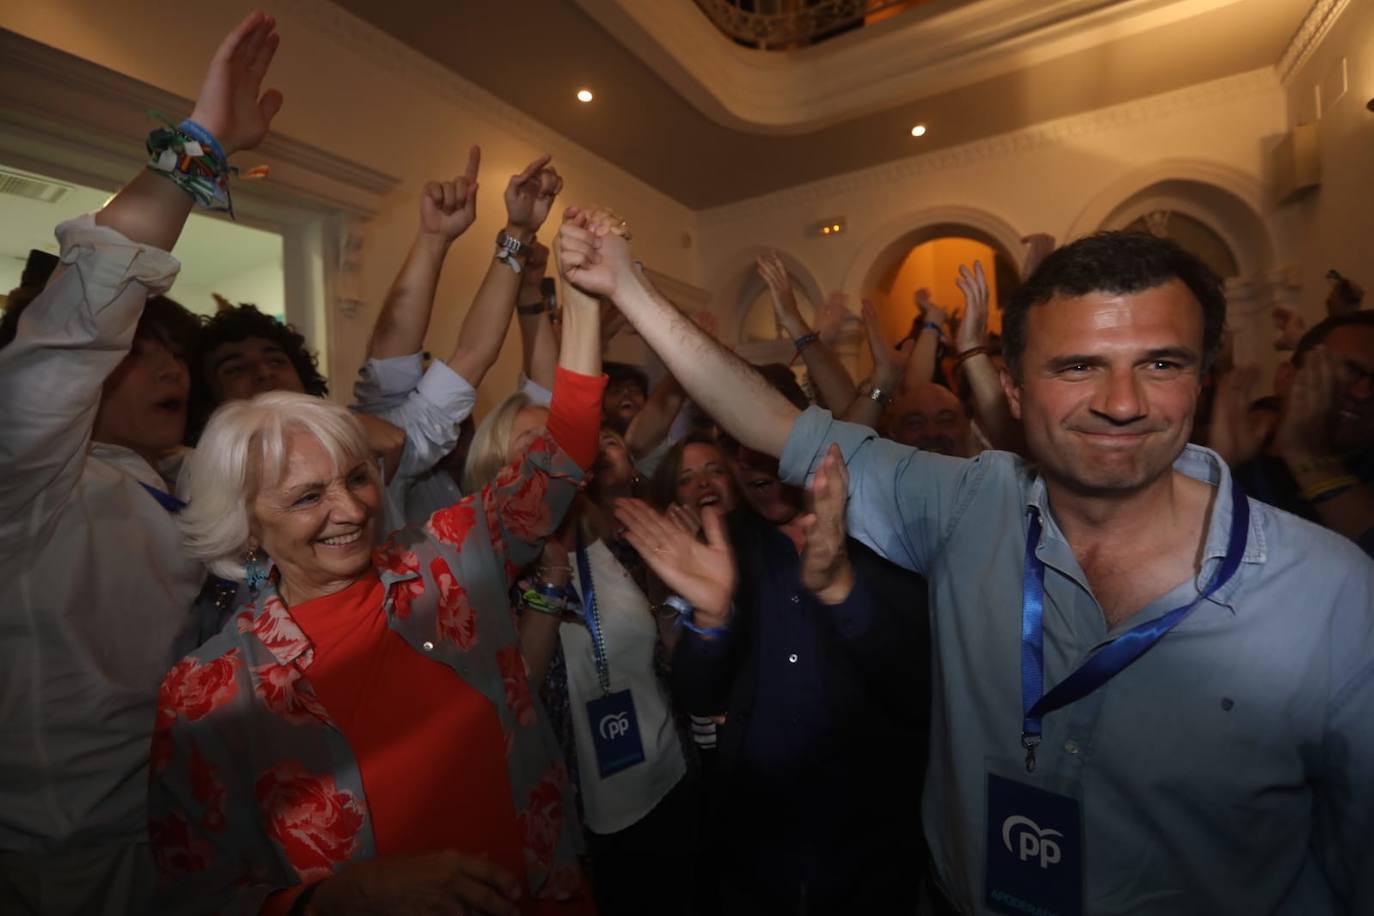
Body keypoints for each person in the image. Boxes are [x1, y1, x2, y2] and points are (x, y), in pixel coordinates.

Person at [558, 213, 1374, 915]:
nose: (1123, 401)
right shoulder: (963, 505)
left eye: (1161, 363)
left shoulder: (1332, 593)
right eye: (1078, 365)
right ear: (1013, 389)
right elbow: (775, 422)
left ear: (1202, 376)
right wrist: (627, 288)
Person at [149, 207, 609, 915]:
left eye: (358, 478)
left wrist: (579, 298)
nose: (353, 509)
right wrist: (341, 898)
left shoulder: (447, 556)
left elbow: (564, 452)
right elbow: (195, 892)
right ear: (246, 524)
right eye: (307, 497)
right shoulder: (208, 693)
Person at [0, 13, 285, 913]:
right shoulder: (27, 490)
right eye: (139, 352)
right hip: (70, 862)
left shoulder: (181, 476)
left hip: (207, 831)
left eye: (175, 353)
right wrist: (192, 154)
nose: (168, 367)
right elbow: (74, 328)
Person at [1217, 312, 1374, 554]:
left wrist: (1307, 453)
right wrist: (1217, 468)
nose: (1363, 393)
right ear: (1286, 377)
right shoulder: (1236, 465)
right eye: (1348, 371)